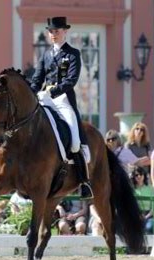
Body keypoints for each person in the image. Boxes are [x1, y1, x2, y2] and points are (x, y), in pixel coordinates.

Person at [30, 16, 93, 199]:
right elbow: (37, 79)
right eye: (51, 31)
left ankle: (84, 181)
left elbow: (71, 80)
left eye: (56, 31)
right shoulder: (45, 55)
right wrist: (32, 93)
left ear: (65, 32)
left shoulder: (73, 54)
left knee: (74, 141)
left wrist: (53, 90)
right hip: (45, 99)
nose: (53, 34)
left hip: (63, 100)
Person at [131, 166, 154, 234]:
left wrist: (145, 217)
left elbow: (153, 208)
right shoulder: (131, 190)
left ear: (144, 175)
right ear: (133, 177)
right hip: (135, 216)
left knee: (149, 227)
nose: (139, 176)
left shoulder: (151, 189)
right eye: (136, 175)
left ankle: (149, 245)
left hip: (149, 216)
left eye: (141, 174)